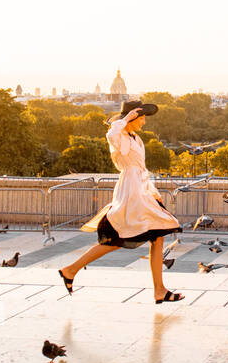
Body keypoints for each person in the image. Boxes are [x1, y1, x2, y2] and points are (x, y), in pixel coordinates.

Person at [58, 100, 184, 302]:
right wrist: (125, 119)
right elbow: (111, 133)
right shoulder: (119, 136)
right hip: (131, 194)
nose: (143, 122)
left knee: (157, 236)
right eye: (141, 118)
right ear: (132, 118)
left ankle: (159, 290)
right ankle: (71, 269)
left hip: (141, 191)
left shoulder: (136, 138)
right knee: (119, 239)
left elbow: (141, 169)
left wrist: (153, 191)